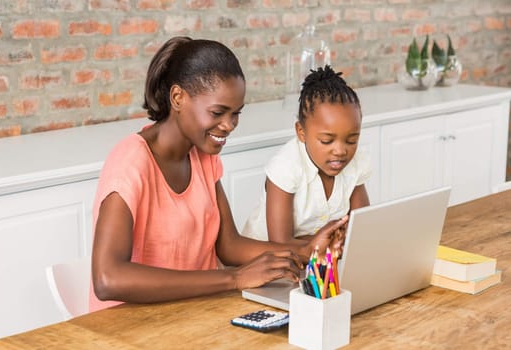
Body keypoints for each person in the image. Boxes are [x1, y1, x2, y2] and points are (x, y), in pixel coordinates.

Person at [90, 37, 347, 312]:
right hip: (128, 325)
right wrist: (234, 278)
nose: (228, 125)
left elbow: (229, 245)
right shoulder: (130, 163)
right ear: (178, 98)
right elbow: (108, 278)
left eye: (235, 113)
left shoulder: (202, 157)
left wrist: (306, 251)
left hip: (189, 312)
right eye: (218, 112)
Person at [242, 65, 371, 246]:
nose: (341, 151)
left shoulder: (356, 163)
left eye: (351, 140)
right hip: (269, 259)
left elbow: (361, 227)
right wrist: (333, 240)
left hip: (321, 258)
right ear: (301, 132)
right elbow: (281, 242)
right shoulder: (286, 167)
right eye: (327, 141)